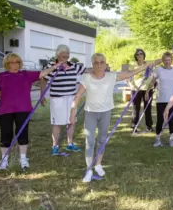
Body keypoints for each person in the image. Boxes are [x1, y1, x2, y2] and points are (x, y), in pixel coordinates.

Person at [70, 53, 162, 182]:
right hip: (90, 112)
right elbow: (78, 95)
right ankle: (89, 169)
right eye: (96, 62)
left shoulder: (111, 76)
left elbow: (131, 72)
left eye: (102, 62)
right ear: (93, 64)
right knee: (89, 141)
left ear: (105, 63)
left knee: (102, 140)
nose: (99, 65)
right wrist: (72, 111)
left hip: (106, 112)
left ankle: (98, 165)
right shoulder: (86, 78)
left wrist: (147, 65)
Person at [0, 53, 63, 170]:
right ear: (7, 63)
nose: (15, 64)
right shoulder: (2, 76)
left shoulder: (26, 74)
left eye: (17, 62)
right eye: (12, 62)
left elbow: (43, 73)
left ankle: (23, 159)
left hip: (23, 109)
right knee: (6, 135)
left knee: (23, 135)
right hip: (5, 110)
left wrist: (56, 66)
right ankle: (4, 160)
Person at [41, 44, 86, 156]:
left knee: (71, 122)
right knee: (57, 123)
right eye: (62, 53)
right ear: (57, 54)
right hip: (58, 98)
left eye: (67, 53)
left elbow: (86, 70)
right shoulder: (52, 66)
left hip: (71, 98)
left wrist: (98, 68)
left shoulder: (74, 66)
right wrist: (42, 94)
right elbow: (43, 79)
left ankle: (70, 143)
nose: (65, 55)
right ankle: (55, 145)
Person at [129, 48, 155, 133]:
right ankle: (134, 126)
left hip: (147, 90)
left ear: (144, 55)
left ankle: (149, 126)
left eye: (141, 54)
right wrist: (132, 86)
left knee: (148, 108)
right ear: (135, 56)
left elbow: (152, 76)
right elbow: (129, 78)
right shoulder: (133, 65)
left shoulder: (148, 65)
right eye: (138, 54)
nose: (139, 55)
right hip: (136, 89)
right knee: (136, 108)